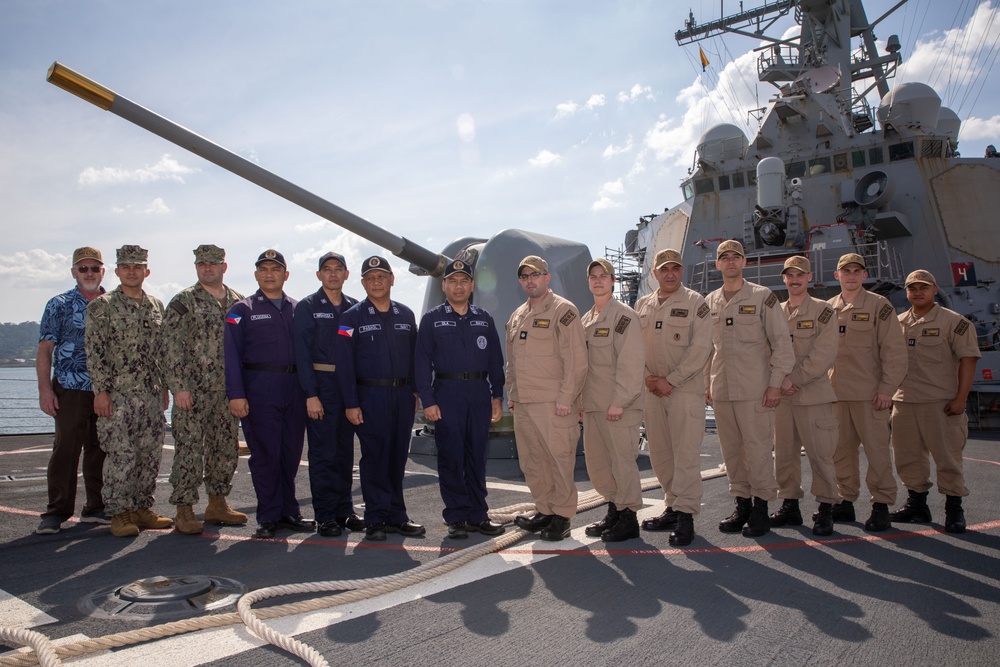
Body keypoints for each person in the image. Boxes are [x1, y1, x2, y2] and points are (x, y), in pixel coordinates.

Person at [705, 240, 794, 538]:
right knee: (731, 452)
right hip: (722, 390)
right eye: (724, 258)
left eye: (736, 257)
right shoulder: (710, 301)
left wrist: (774, 384)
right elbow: (707, 349)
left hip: (755, 389)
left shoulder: (762, 297)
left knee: (757, 449)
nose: (730, 262)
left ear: (744, 262)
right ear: (717, 264)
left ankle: (761, 506)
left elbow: (782, 343)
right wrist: (707, 383)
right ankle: (741, 502)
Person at [224, 249, 313, 539]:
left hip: (294, 389)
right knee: (265, 455)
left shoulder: (299, 309)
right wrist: (236, 394)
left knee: (290, 454)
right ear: (256, 275)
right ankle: (269, 515)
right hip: (260, 389)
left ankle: (290, 512)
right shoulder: (241, 310)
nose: (269, 274)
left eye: (275, 269)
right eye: (263, 269)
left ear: (285, 275)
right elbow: (231, 355)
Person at [84, 245, 172, 538]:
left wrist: (163, 388)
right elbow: (94, 352)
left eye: (138, 266)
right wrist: (101, 392)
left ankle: (141, 508)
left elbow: (161, 351)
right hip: (117, 394)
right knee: (121, 455)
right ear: (118, 271)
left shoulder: (156, 306)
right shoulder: (102, 307)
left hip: (149, 394)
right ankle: (120, 513)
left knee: (149, 455)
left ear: (146, 271)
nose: (132, 271)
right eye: (127, 267)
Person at [415, 259, 506, 539]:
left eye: (463, 281)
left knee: (476, 457)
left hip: (478, 393)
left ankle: (478, 514)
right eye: (452, 281)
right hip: (447, 394)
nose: (458, 286)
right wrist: (428, 400)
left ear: (472, 286)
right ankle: (456, 516)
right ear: (444, 286)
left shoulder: (484, 318)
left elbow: (495, 361)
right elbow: (420, 363)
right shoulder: (431, 320)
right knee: (451, 457)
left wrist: (497, 395)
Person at [336, 256, 424, 541]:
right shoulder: (350, 318)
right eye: (370, 278)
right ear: (362, 283)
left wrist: (416, 391)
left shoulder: (406, 315)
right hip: (369, 395)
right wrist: (351, 403)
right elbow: (344, 363)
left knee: (397, 456)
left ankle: (397, 515)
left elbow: (415, 358)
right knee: (375, 457)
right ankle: (375, 518)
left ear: (392, 279)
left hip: (401, 395)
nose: (376, 282)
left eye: (381, 276)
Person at [164, 244, 246, 534]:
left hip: (228, 391)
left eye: (213, 263)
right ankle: (184, 509)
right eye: (202, 264)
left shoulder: (239, 303)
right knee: (188, 451)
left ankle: (217, 503)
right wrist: (179, 388)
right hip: (193, 392)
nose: (207, 268)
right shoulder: (183, 301)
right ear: (196, 267)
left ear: (224, 266)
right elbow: (171, 348)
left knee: (224, 449)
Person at [889, 270, 980, 533]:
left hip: (939, 402)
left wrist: (961, 398)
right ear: (906, 292)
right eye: (912, 288)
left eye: (923, 288)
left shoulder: (954, 322)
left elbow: (969, 360)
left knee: (948, 458)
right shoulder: (897, 323)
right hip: (904, 402)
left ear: (934, 289)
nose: (918, 292)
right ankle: (917, 505)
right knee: (907, 458)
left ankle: (954, 509)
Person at [633, 248, 712, 547]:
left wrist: (671, 381)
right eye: (664, 269)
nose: (670, 273)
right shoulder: (642, 305)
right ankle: (672, 505)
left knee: (686, 456)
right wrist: (648, 380)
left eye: (675, 268)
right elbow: (634, 350)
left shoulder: (695, 303)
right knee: (662, 455)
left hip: (683, 391)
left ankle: (686, 516)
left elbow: (701, 348)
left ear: (682, 271)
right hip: (653, 392)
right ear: (655, 273)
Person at [505, 255, 587, 542]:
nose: (530, 280)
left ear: (546, 277)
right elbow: (511, 361)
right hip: (525, 403)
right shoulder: (517, 315)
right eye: (525, 276)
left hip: (554, 403)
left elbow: (576, 359)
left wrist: (567, 397)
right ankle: (545, 510)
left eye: (535, 275)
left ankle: (562, 516)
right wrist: (512, 394)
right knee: (533, 461)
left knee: (558, 459)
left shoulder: (564, 311)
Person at [827, 253, 907, 532]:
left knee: (877, 452)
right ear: (837, 275)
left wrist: (887, 389)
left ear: (864, 275)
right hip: (836, 395)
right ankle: (845, 501)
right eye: (845, 270)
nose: (850, 275)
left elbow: (895, 352)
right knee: (840, 452)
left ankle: (881, 505)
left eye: (856, 271)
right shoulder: (827, 309)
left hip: (870, 395)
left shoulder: (878, 306)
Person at [34, 247, 109, 535]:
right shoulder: (59, 304)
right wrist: (45, 390)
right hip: (70, 386)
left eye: (94, 268)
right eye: (83, 269)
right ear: (73, 272)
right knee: (66, 449)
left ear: (103, 272)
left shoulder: (113, 303)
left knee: (100, 448)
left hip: (106, 389)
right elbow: (44, 350)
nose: (89, 273)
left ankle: (96, 507)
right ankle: (56, 511)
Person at [770, 256, 841, 536]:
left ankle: (825, 509)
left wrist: (792, 379)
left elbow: (824, 354)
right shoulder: (775, 312)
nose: (795, 279)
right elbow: (768, 350)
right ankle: (790, 505)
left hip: (812, 395)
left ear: (809, 278)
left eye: (800, 275)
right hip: (783, 399)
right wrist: (777, 382)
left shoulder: (824, 311)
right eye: (790, 275)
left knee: (820, 455)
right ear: (784, 278)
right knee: (784, 455)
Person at [294, 252, 362, 538]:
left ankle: (344, 510)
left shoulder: (354, 307)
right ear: (319, 275)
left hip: (346, 387)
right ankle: (325, 515)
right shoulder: (308, 307)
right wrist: (311, 394)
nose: (333, 274)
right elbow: (302, 354)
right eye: (327, 269)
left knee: (345, 452)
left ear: (346, 275)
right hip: (321, 386)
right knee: (323, 453)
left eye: (338, 269)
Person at [579, 258, 645, 542]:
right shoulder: (586, 319)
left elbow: (631, 362)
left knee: (622, 462)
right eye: (593, 276)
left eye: (603, 276)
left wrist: (619, 401)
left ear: (613, 281)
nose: (597, 280)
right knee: (599, 463)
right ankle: (614, 510)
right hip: (593, 405)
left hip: (618, 405)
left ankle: (628, 516)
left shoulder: (624, 316)